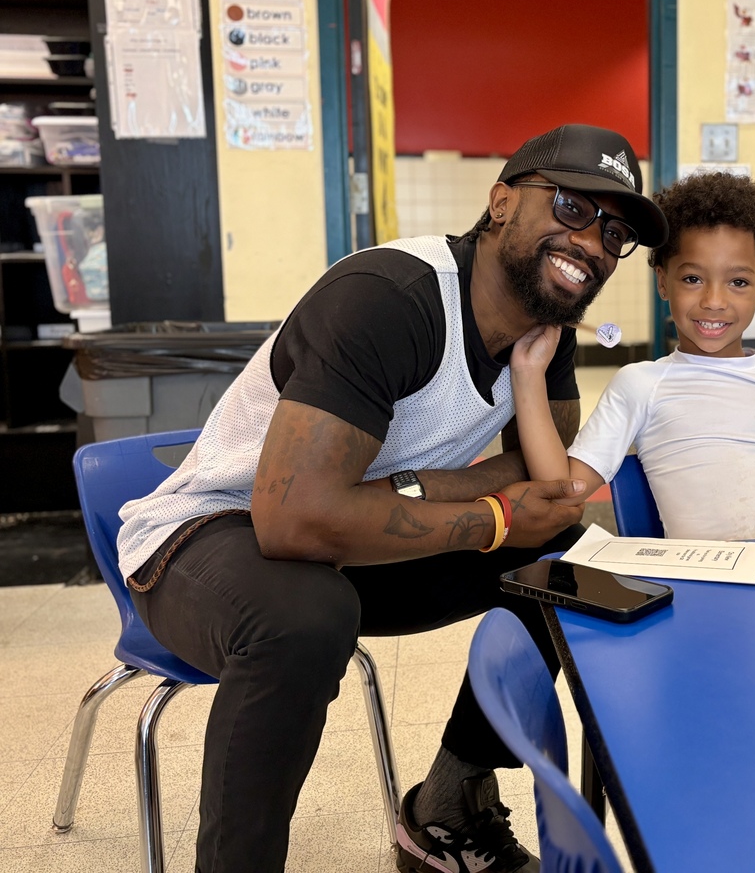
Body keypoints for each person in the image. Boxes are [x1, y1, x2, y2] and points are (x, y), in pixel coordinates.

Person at [115, 123, 669, 873]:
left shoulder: (546, 327)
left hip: (340, 549)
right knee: (304, 618)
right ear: (501, 201)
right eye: (573, 209)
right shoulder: (389, 298)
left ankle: (448, 805)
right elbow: (293, 521)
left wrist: (412, 493)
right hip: (205, 539)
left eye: (614, 232)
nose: (594, 244)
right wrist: (488, 514)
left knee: (559, 563)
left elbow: (543, 486)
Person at [510, 170, 755, 540]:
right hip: (708, 587)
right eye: (693, 279)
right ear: (663, 281)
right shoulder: (641, 385)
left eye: (738, 282)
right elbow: (563, 494)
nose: (714, 302)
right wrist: (528, 373)